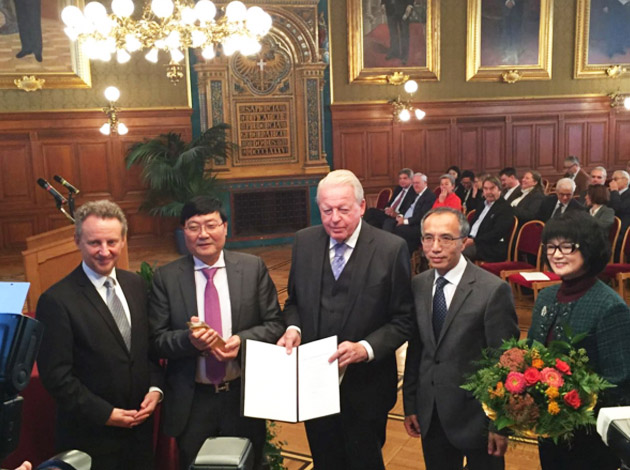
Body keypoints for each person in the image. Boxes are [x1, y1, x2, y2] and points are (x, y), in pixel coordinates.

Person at [277, 169, 414, 470]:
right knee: (325, 461)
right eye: (327, 210)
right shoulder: (304, 242)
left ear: (362, 206)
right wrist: (293, 327)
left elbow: (404, 319)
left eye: (343, 209)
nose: (334, 218)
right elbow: (294, 302)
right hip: (314, 384)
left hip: (366, 387)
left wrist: (366, 348)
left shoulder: (390, 249)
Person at [148, 196, 284, 470]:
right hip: (193, 401)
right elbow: (157, 340)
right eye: (193, 227)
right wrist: (189, 341)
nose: (203, 234)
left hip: (242, 396)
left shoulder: (252, 268)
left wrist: (242, 341)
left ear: (225, 227)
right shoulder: (167, 277)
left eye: (211, 225)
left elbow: (275, 324)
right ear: (184, 231)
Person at [36, 200, 163, 470]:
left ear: (123, 240)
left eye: (112, 242)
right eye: (95, 243)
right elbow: (56, 377)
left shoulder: (136, 284)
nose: (104, 251)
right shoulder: (56, 300)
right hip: (91, 438)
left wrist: (155, 389)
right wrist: (106, 414)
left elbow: (147, 351)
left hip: (139, 435)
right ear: (77, 241)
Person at [403, 207, 519, 470]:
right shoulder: (419, 285)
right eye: (428, 238)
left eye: (446, 238)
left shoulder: (492, 291)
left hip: (477, 417)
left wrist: (500, 424)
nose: (435, 247)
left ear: (464, 242)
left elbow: (505, 362)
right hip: (431, 412)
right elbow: (417, 349)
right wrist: (411, 404)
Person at [528, 211, 630, 470]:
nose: (556, 254)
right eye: (551, 246)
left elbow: (617, 382)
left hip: (589, 438)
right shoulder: (546, 297)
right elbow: (530, 354)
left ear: (589, 249)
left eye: (567, 246)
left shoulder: (609, 306)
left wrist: (569, 405)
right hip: (547, 428)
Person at [463, 176, 515, 262]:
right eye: (485, 189)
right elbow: (473, 224)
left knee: (457, 254)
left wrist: (474, 241)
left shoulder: (505, 208)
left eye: (492, 188)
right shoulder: (482, 204)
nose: (488, 192)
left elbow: (496, 233)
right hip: (473, 241)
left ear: (499, 189)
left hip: (490, 247)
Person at [392, 172, 437, 254]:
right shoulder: (414, 194)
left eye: (417, 183)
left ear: (425, 183)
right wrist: (400, 216)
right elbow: (405, 208)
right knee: (389, 224)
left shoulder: (429, 196)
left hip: (417, 226)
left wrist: (404, 221)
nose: (415, 185)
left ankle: (403, 255)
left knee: (399, 230)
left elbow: (422, 216)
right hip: (406, 221)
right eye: (413, 183)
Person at [380, 0, 414, 65]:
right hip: (390, 9)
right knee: (393, 33)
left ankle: (404, 56)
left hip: (403, 9)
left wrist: (410, 5)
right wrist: (383, 3)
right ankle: (394, 52)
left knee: (404, 34)